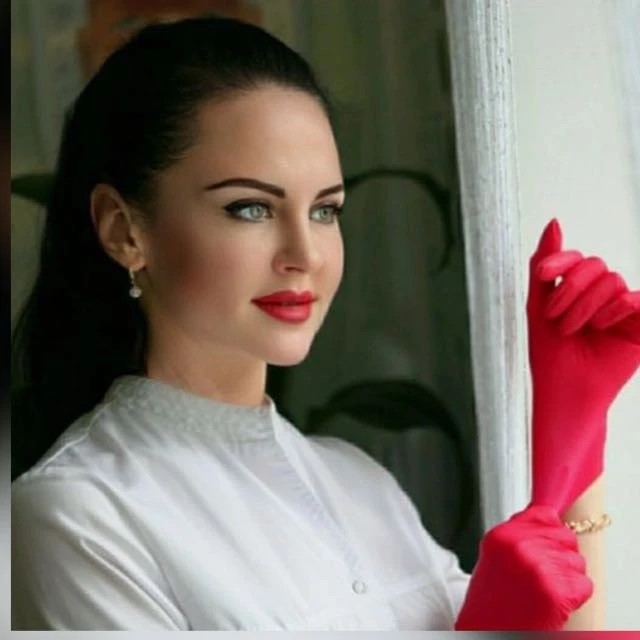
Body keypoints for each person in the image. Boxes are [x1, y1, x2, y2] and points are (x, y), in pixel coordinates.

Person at [11, 16, 640, 631]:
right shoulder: (78, 516)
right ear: (124, 230)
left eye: (324, 210)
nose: (305, 254)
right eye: (250, 208)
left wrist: (574, 439)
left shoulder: (361, 485)